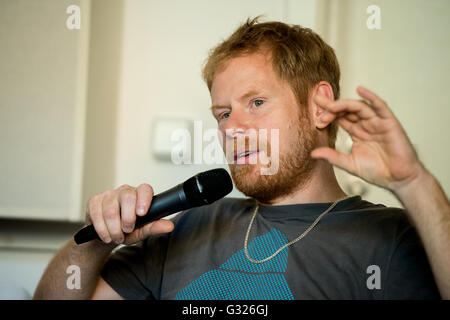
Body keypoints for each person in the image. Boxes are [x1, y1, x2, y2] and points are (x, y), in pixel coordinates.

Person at [34, 17, 449, 300]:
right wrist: (95, 241)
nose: (231, 129)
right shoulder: (187, 225)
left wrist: (415, 184)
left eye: (256, 102)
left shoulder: (390, 239)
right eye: (223, 114)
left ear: (320, 106)